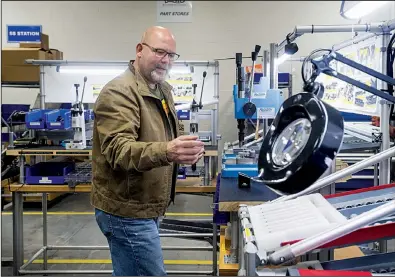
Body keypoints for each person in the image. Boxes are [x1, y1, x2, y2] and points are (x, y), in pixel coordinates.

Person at [90, 26, 205, 276]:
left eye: (171, 55)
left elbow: (172, 132)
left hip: (147, 204)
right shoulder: (120, 91)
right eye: (159, 51)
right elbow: (118, 151)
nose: (165, 60)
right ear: (139, 50)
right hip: (127, 209)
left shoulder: (162, 89)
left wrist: (186, 147)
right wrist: (168, 151)